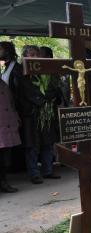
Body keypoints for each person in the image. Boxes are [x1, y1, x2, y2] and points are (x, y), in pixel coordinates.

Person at [20, 45, 61, 184]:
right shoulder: (22, 72)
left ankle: (48, 170)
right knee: (32, 145)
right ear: (25, 56)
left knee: (48, 142)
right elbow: (26, 92)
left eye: (36, 54)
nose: (34, 57)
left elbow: (54, 89)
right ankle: (34, 173)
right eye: (31, 54)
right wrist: (42, 99)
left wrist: (47, 98)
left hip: (47, 112)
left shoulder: (47, 71)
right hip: (31, 114)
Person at [0, 41, 21, 193]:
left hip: (6, 122)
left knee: (4, 157)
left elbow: (11, 102)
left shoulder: (5, 80)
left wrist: (16, 117)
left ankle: (4, 183)